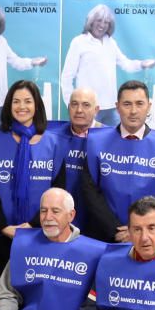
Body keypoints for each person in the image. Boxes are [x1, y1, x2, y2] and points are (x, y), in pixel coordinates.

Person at [0, 80, 66, 274]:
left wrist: (33, 224)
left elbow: (59, 190)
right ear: (9, 106)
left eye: (27, 101)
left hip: (43, 230)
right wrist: (4, 227)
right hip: (5, 233)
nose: (22, 107)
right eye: (16, 101)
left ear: (37, 106)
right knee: (9, 291)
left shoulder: (55, 144)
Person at [81, 80, 155, 243]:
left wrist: (139, 230)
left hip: (150, 238)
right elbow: (89, 191)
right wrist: (115, 229)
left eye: (139, 104)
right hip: (104, 235)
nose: (133, 111)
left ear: (148, 106)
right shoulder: (96, 141)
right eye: (127, 104)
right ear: (117, 107)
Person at [61, 5, 155, 126]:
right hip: (88, 106)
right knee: (89, 142)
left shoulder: (110, 42)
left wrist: (142, 64)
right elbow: (67, 76)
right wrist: (71, 103)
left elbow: (125, 64)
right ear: (91, 21)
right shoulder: (79, 42)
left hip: (111, 107)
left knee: (113, 141)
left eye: (106, 22)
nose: (102, 25)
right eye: (99, 20)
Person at [52, 87, 102, 231]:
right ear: (68, 107)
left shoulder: (107, 138)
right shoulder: (53, 137)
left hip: (96, 220)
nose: (79, 110)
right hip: (59, 219)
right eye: (74, 104)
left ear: (96, 110)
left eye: (86, 105)